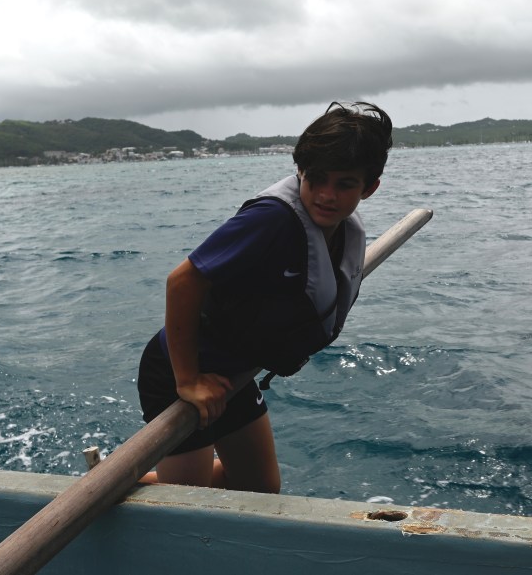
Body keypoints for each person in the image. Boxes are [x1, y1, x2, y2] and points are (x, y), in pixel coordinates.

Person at [136, 101, 393, 493]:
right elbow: (182, 282)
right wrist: (187, 380)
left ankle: (134, 481)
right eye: (316, 179)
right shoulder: (271, 219)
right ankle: (115, 484)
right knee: (187, 503)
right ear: (300, 171)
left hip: (233, 373)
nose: (326, 195)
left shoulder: (340, 230)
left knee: (259, 490)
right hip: (181, 369)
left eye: (344, 184)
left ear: (369, 187)